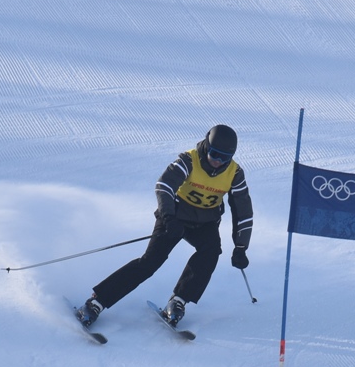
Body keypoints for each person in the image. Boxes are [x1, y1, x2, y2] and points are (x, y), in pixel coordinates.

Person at [79, 124, 253, 328]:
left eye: (224, 157)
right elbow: (164, 186)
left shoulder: (234, 173)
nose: (217, 161)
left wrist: (241, 247)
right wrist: (169, 217)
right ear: (206, 145)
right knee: (150, 262)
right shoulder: (189, 160)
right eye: (214, 154)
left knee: (211, 251)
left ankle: (179, 301)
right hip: (175, 216)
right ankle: (96, 301)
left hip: (205, 222)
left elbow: (243, 211)